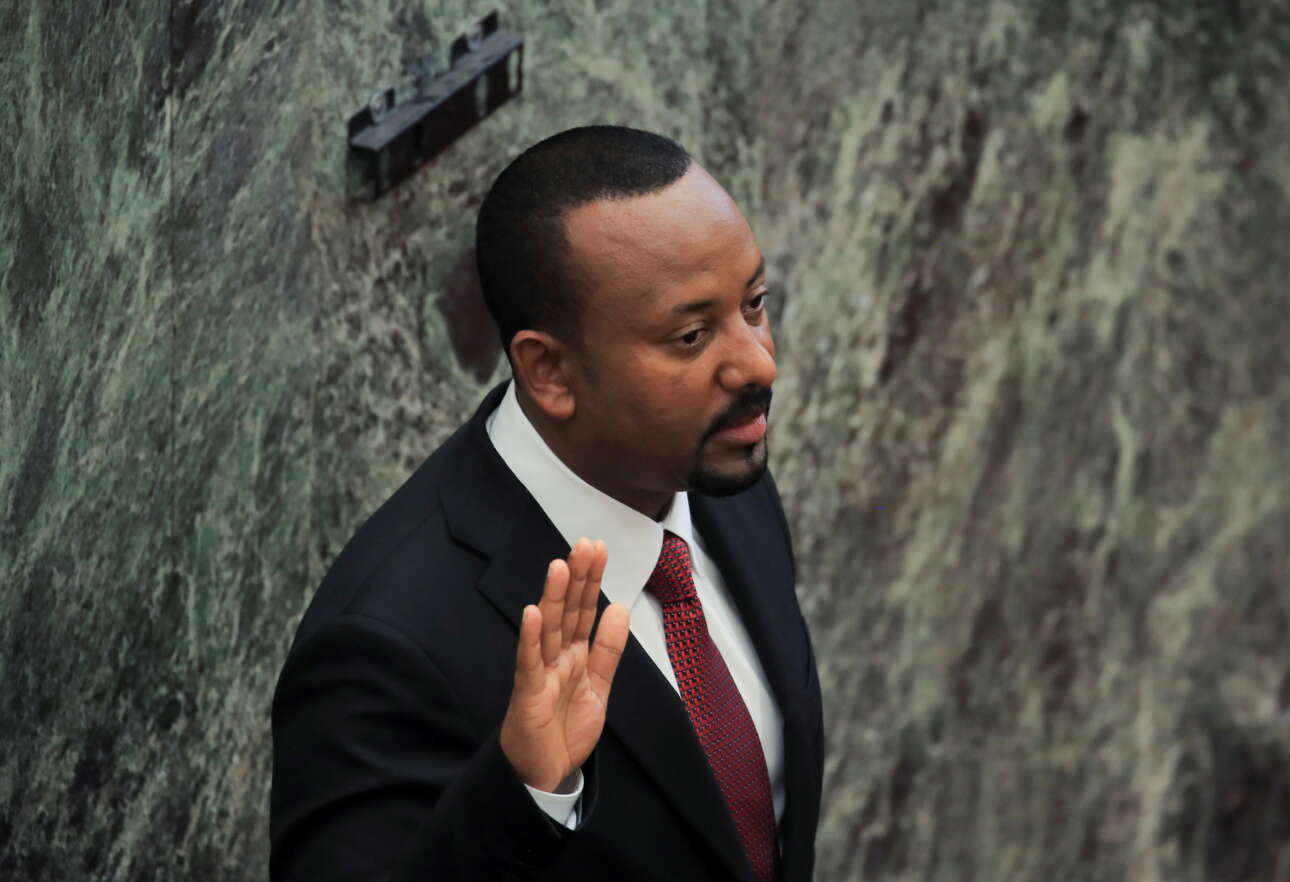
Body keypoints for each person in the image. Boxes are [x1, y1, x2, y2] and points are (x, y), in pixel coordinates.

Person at [270, 125, 824, 882]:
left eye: (754, 304)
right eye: (692, 336)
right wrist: (526, 795)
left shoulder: (719, 466)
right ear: (550, 371)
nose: (759, 364)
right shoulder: (384, 647)